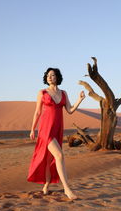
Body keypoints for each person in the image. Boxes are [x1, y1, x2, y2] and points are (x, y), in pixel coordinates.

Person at [27, 68, 85, 200]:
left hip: (57, 129)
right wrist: (32, 129)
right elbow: (37, 112)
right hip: (45, 130)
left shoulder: (63, 93)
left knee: (49, 159)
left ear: (57, 77)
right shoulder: (42, 92)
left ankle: (46, 185)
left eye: (52, 75)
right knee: (59, 155)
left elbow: (69, 110)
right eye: (48, 75)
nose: (50, 77)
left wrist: (80, 100)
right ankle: (67, 189)